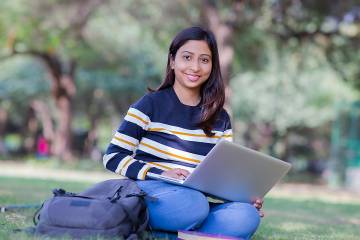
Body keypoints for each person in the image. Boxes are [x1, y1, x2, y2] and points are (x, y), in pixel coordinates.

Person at [103, 26, 263, 239]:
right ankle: (191, 234)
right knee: (192, 205)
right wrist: (161, 173)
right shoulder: (149, 104)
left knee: (247, 216)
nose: (195, 67)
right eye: (187, 57)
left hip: (196, 202)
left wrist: (242, 198)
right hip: (155, 195)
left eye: (204, 60)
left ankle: (164, 235)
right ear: (172, 61)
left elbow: (219, 178)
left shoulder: (221, 117)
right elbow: (112, 157)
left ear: (212, 65)